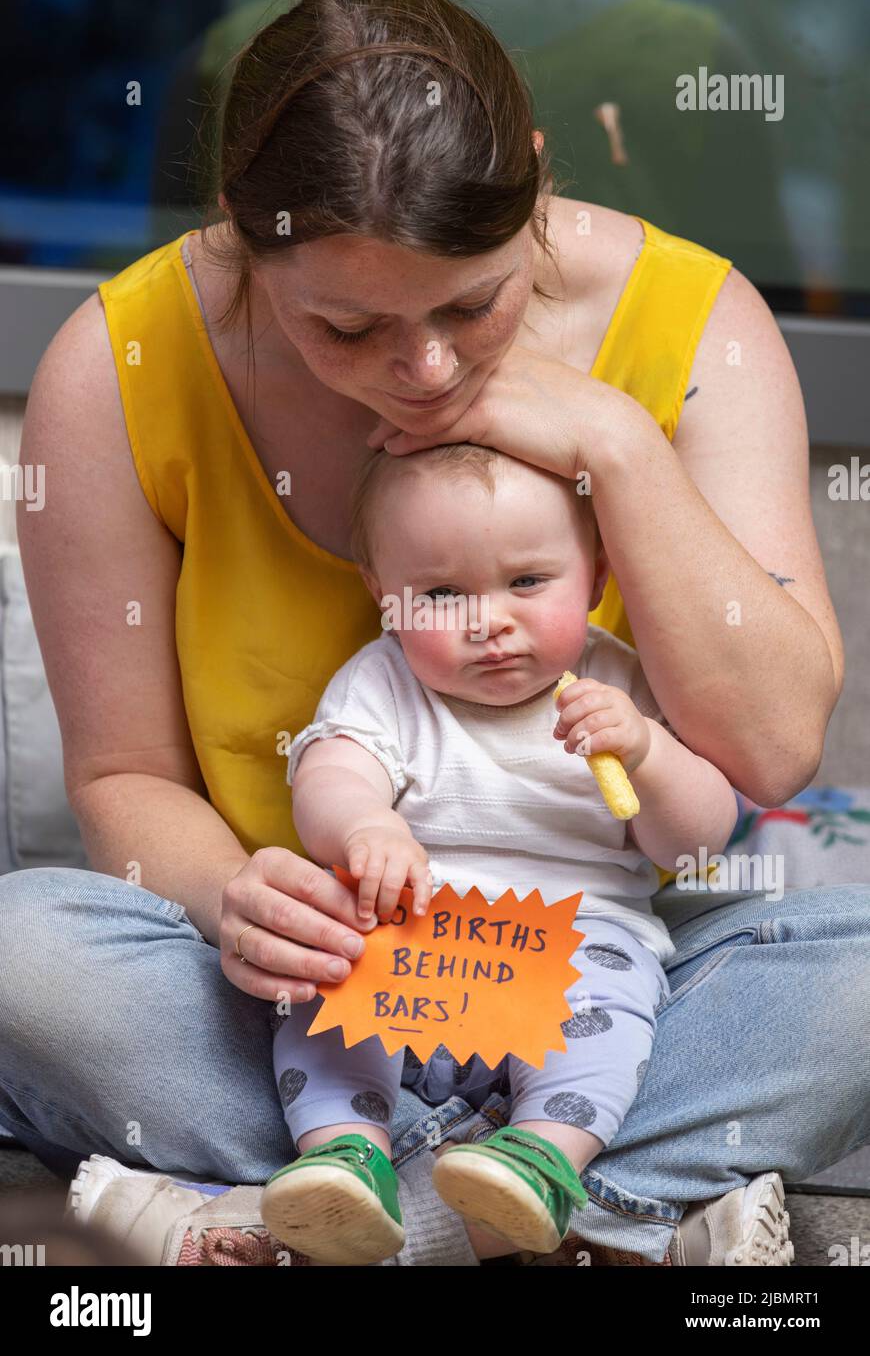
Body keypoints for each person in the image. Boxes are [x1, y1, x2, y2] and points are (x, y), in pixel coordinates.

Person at [3, 0, 863, 1267]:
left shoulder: (700, 326)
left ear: (530, 184)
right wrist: (238, 893)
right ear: (243, 231)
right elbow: (125, 776)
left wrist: (616, 448)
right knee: (26, 951)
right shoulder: (118, 363)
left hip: (606, 982)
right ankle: (578, 1210)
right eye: (347, 326)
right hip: (306, 997)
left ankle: (330, 1217)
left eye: (473, 305)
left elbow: (775, 750)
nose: (428, 373)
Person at [259, 442, 740, 1265]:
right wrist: (368, 828)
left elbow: (695, 844)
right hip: (415, 946)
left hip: (574, 945)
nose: (489, 621)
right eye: (442, 594)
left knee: (610, 1011)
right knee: (320, 986)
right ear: (383, 598)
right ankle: (344, 1157)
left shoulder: (619, 682)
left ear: (594, 577)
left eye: (527, 582)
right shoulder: (385, 685)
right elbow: (331, 773)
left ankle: (539, 1158)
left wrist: (652, 757)